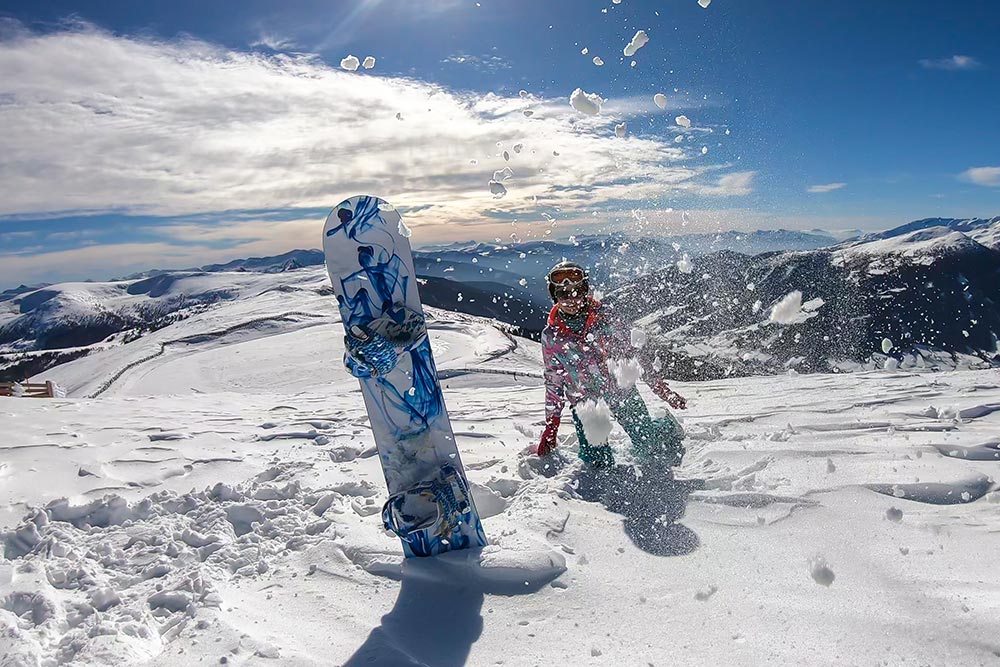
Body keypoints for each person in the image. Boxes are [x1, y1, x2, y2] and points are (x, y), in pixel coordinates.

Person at [536, 260, 687, 469]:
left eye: (576, 291)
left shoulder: (606, 318)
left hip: (620, 390)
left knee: (649, 445)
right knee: (596, 462)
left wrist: (660, 388)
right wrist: (551, 427)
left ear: (585, 291)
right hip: (586, 402)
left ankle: (666, 426)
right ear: (555, 297)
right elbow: (554, 380)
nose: (571, 299)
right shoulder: (552, 337)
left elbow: (635, 353)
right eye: (563, 294)